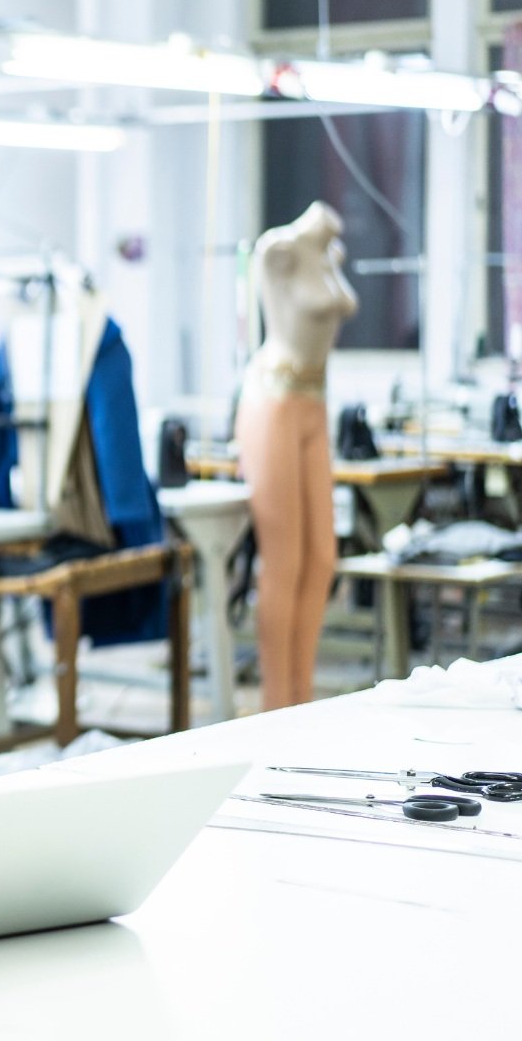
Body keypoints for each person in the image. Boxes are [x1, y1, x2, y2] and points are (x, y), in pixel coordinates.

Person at [234, 200, 357, 710]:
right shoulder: (279, 249)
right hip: (274, 400)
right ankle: (274, 705)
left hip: (313, 401)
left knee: (322, 557)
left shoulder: (331, 252)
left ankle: (300, 702)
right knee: (283, 561)